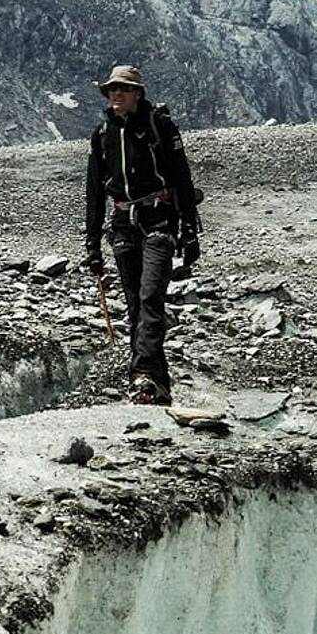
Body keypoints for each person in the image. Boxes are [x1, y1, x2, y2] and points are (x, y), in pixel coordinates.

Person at [80, 64, 201, 406]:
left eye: (122, 89)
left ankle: (142, 375)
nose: (115, 94)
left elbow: (182, 178)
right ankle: (157, 386)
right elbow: (94, 192)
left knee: (150, 297)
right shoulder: (102, 133)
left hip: (159, 219)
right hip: (122, 224)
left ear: (137, 93)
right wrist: (92, 244)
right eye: (111, 90)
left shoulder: (159, 126)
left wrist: (190, 231)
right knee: (135, 304)